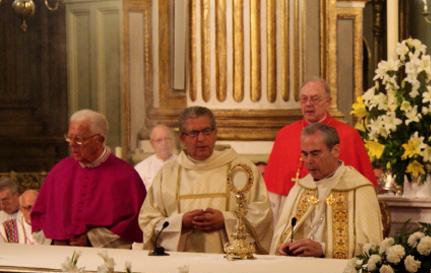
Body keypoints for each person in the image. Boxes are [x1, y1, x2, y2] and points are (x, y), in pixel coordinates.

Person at [139, 106, 273, 254]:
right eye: (193, 133)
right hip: (182, 265)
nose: (201, 138)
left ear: (215, 133)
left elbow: (262, 214)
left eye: (206, 131)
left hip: (232, 264)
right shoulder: (167, 174)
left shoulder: (242, 169)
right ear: (182, 138)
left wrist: (225, 219)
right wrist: (180, 222)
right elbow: (148, 221)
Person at [31, 109, 146, 248]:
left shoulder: (125, 176)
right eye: (69, 137)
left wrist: (91, 239)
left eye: (78, 139)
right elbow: (39, 219)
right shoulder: (59, 171)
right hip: (59, 257)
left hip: (104, 259)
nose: (72, 144)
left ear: (99, 140)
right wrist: (55, 239)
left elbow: (134, 224)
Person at [265, 78, 377, 218]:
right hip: (292, 210)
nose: (308, 104)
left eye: (315, 99)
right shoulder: (285, 135)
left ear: (328, 102)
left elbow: (363, 190)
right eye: (304, 99)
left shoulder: (348, 135)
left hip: (336, 210)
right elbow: (274, 195)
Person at [270, 122, 382, 258]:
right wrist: (285, 247)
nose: (309, 161)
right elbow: (279, 238)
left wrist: (324, 249)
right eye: (305, 154)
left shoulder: (359, 189)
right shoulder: (300, 188)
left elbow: (372, 247)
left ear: (335, 151)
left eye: (315, 154)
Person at [134, 124, 176, 189]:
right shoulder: (141, 169)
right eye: (159, 140)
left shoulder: (184, 164)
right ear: (152, 144)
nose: (164, 143)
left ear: (173, 141)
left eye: (167, 139)